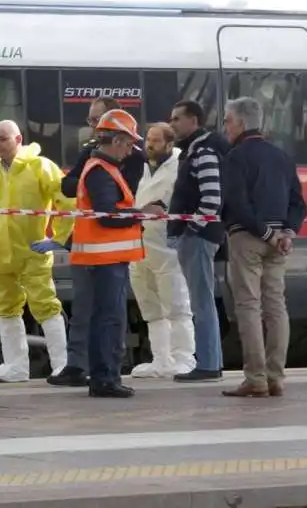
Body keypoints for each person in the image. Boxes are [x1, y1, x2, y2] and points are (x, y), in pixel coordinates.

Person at [70, 109, 164, 397]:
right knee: (108, 318)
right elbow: (108, 216)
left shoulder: (104, 168)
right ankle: (104, 378)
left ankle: (107, 376)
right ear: (117, 139)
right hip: (105, 258)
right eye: (128, 143)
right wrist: (142, 213)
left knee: (108, 317)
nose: (130, 149)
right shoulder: (101, 171)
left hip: (108, 258)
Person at [220, 97, 307, 397]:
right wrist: (287, 233)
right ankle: (276, 377)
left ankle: (255, 378)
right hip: (278, 242)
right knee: (276, 306)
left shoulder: (235, 157)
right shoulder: (281, 156)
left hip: (249, 237)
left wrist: (267, 233)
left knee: (248, 305)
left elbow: (237, 204)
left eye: (228, 121)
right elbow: (298, 202)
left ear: (241, 123)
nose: (225, 127)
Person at [0, 120, 74, 383]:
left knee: (45, 304)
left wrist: (58, 238)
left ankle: (62, 364)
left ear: (18, 139)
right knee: (6, 306)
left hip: (31, 250)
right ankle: (16, 366)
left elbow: (66, 201)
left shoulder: (40, 167)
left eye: (3, 139)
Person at [167, 100, 229, 383]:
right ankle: (209, 361)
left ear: (194, 120)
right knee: (202, 300)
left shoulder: (203, 152)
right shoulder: (196, 150)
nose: (172, 124)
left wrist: (191, 228)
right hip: (201, 235)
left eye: (177, 118)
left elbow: (212, 199)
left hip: (200, 237)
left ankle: (208, 363)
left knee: (202, 301)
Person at [129, 123, 196, 378]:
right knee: (151, 306)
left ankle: (184, 358)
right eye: (148, 140)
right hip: (143, 247)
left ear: (170, 144)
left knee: (176, 304)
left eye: (155, 141)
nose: (149, 145)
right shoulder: (147, 168)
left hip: (167, 249)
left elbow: (168, 203)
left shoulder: (178, 167)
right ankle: (161, 359)